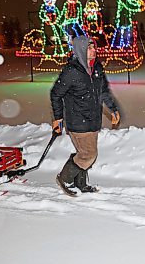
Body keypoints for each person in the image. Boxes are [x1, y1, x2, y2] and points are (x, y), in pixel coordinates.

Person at [50, 35, 120, 196]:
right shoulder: (71, 71)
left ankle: (80, 183)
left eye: (94, 47)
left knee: (85, 153)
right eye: (89, 48)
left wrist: (113, 109)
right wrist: (58, 118)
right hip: (78, 121)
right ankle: (65, 178)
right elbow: (56, 94)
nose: (94, 50)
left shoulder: (96, 68)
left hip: (93, 119)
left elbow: (103, 91)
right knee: (89, 154)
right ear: (81, 50)